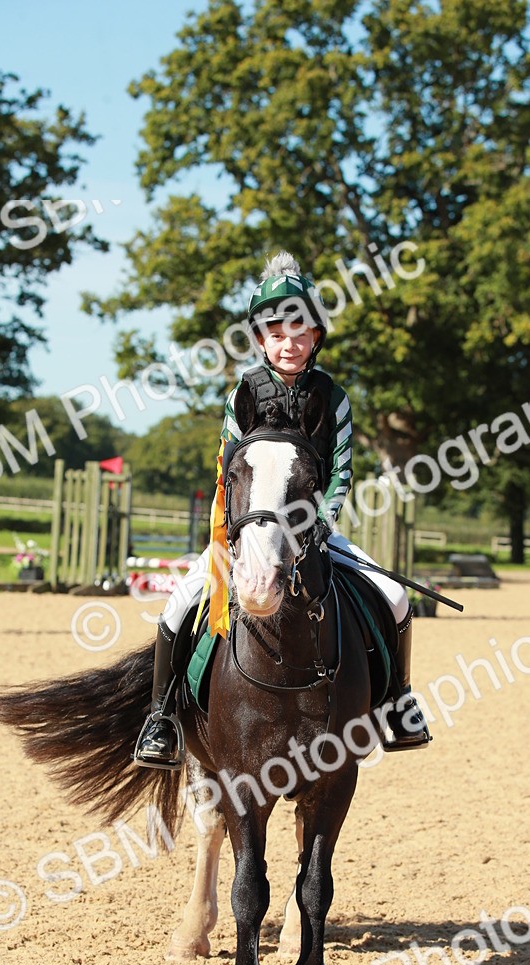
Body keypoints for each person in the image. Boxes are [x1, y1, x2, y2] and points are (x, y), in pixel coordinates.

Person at [134, 252, 430, 768]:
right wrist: (230, 535)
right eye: (277, 333)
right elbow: (228, 467)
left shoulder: (333, 396)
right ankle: (160, 718)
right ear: (261, 339)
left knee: (395, 594)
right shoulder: (242, 392)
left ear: (315, 338)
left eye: (300, 332)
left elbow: (341, 469)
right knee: (178, 603)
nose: (288, 343)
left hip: (312, 531)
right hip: (247, 531)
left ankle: (399, 700)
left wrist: (322, 522)